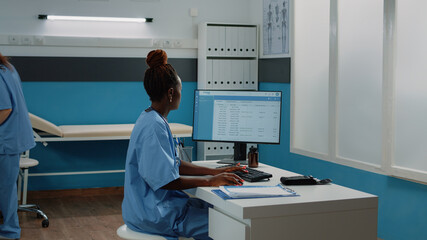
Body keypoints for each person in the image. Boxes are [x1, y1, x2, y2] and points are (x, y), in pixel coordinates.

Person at [122, 49, 246, 240]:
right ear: (171, 92)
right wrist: (209, 181)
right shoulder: (154, 126)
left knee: (218, 211)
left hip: (150, 207)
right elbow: (168, 180)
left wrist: (213, 172)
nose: (181, 94)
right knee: (232, 227)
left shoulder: (150, 117)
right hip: (156, 214)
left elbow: (172, 164)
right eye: (181, 89)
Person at [0, 53, 35, 239]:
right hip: (11, 137)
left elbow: (4, 109)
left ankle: (10, 231)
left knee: (5, 188)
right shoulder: (7, 68)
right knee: (6, 187)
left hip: (5, 139)